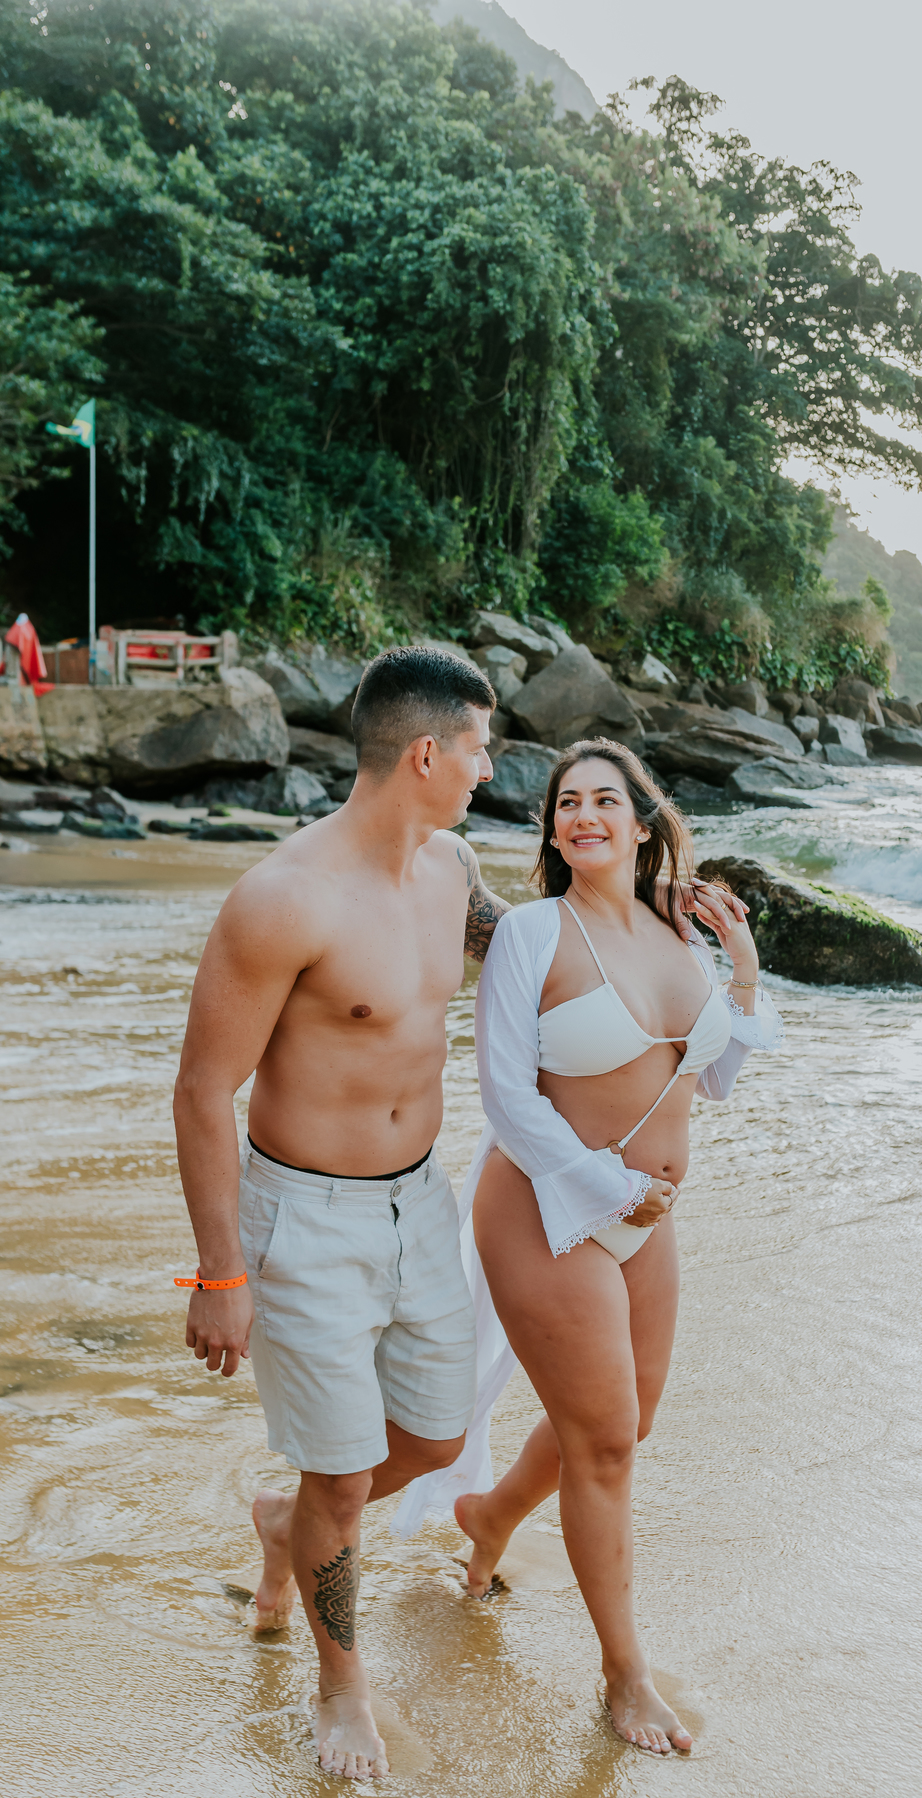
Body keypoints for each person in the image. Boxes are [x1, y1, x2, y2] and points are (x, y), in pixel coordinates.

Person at [397, 738, 781, 1756]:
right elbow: (506, 1099)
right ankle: (625, 1674)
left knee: (627, 1422)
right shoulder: (533, 933)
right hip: (545, 1207)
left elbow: (713, 1079)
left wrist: (741, 967)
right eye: (566, 803)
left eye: (605, 799)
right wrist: (612, 1187)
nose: (583, 815)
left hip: (648, 1220)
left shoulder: (676, 934)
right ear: (554, 830)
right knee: (604, 1440)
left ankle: (489, 1517)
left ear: (644, 825)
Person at [173, 646, 511, 1784]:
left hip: (423, 1203)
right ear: (425, 753)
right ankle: (340, 1685)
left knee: (436, 1437)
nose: (487, 768)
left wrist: (657, 919)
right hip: (305, 1219)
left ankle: (288, 1523)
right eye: (478, 748)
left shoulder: (454, 868)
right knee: (344, 1475)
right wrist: (221, 1271)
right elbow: (201, 1090)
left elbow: (530, 955)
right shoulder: (283, 899)